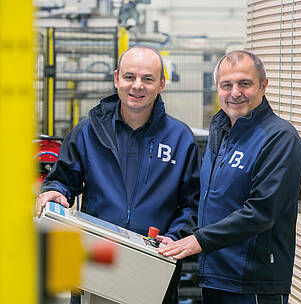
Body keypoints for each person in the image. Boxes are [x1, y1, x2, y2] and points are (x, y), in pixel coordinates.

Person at [36, 45, 201, 304]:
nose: (137, 86)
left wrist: (174, 237)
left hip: (153, 267)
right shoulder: (88, 132)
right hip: (95, 265)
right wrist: (54, 192)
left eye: (148, 79)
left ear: (161, 84)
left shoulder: (180, 139)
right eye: (129, 77)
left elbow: (193, 203)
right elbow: (62, 180)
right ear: (116, 79)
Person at [158, 50, 301, 304]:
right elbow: (213, 200)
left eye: (245, 84)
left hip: (252, 283)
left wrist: (199, 241)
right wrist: (184, 238)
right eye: (226, 85)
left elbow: (261, 211)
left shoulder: (280, 139)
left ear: (263, 85)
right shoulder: (222, 131)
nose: (235, 92)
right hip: (216, 275)